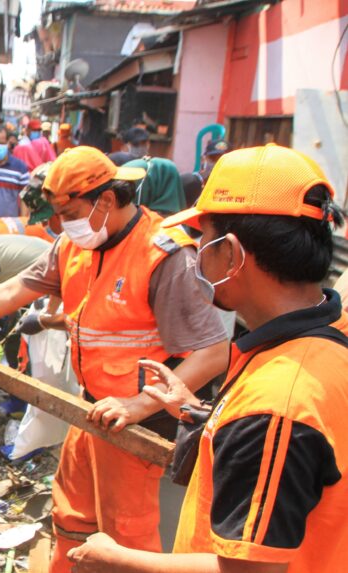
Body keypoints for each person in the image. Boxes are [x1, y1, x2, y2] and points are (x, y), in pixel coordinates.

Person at [0, 146, 229, 571]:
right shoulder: (72, 247)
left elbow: (213, 352)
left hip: (140, 426)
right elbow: (12, 291)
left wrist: (138, 404)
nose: (60, 223)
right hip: (92, 408)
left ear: (107, 200)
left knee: (126, 541)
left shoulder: (162, 256)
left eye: (68, 211)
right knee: (71, 515)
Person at [67, 144, 348, 573]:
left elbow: (246, 569)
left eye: (203, 239)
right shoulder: (320, 341)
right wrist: (196, 412)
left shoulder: (277, 404)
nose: (196, 252)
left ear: (231, 254)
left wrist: (118, 558)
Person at [181, 138, 230, 208]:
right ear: (203, 160)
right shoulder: (189, 183)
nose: (218, 163)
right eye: (213, 159)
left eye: (224, 160)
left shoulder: (237, 190)